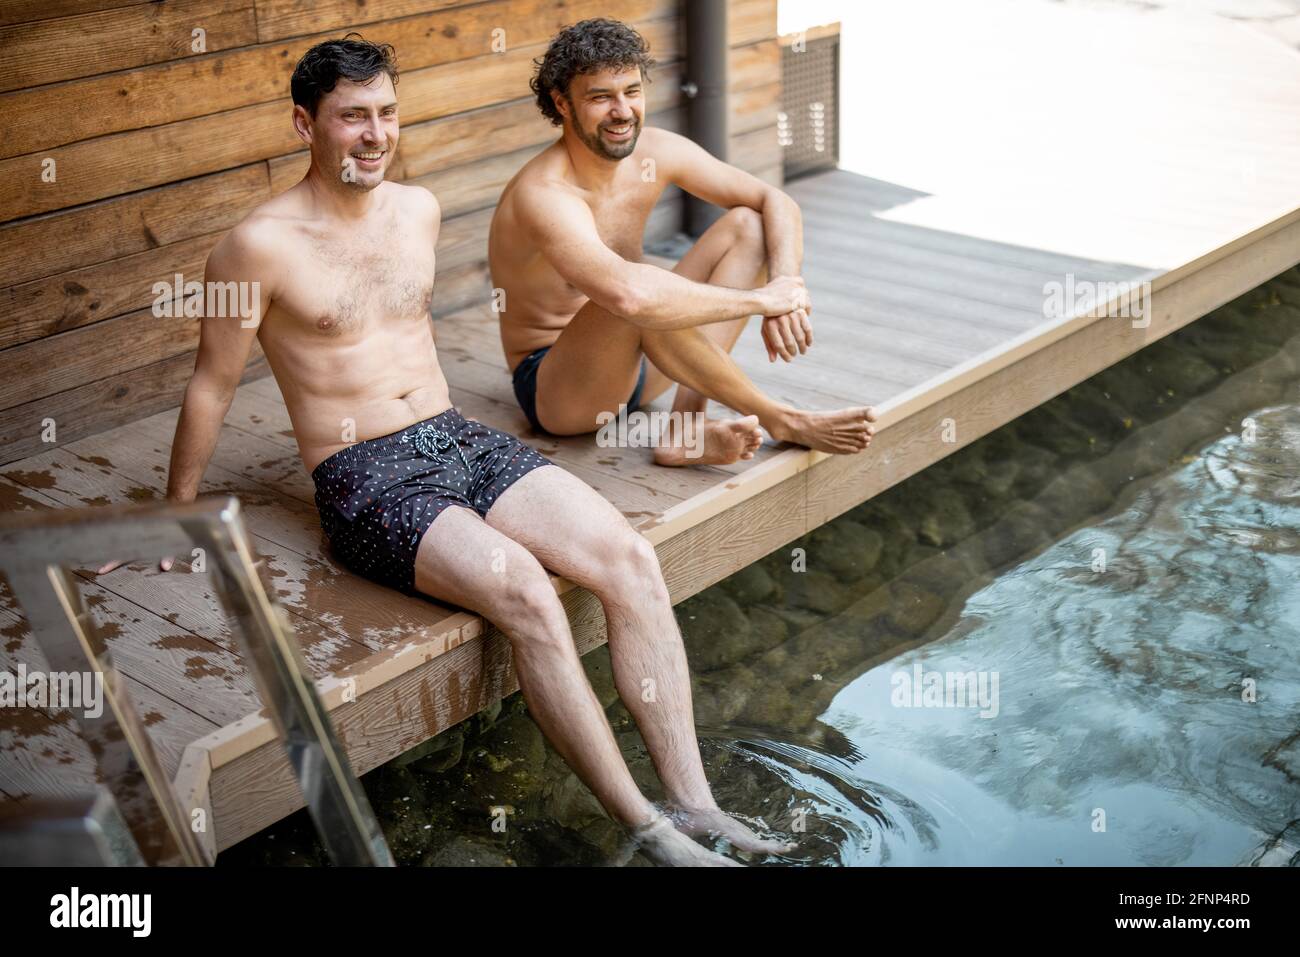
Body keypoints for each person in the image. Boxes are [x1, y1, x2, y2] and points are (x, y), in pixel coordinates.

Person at [98, 35, 795, 867]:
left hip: (459, 437)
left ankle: (696, 805)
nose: (375, 134)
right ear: (303, 124)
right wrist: (178, 513)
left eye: (387, 114)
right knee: (531, 598)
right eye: (352, 117)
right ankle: (646, 831)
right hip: (366, 478)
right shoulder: (255, 246)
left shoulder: (419, 209)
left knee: (631, 558)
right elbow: (211, 385)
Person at [490, 17, 877, 467]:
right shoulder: (545, 195)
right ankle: (781, 418)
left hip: (644, 362)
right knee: (635, 291)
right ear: (562, 103)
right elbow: (629, 295)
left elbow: (775, 200)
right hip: (562, 391)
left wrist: (787, 287)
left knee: (749, 225)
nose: (622, 110)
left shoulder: (656, 150)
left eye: (631, 92)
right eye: (600, 97)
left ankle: (685, 428)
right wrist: (759, 301)